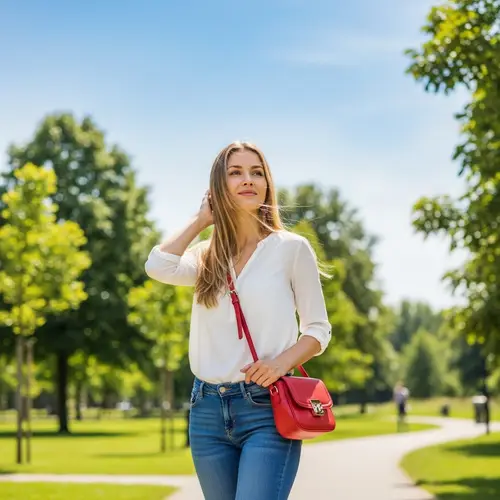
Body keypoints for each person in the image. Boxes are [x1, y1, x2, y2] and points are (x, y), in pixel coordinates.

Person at [145, 141, 331, 500]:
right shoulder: (205, 256)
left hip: (266, 408)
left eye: (256, 172)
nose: (248, 180)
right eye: (236, 172)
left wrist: (279, 364)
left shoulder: (291, 248)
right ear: (218, 186)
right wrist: (201, 220)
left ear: (267, 183)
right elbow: (157, 266)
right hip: (206, 411)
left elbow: (318, 330)